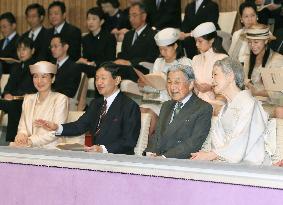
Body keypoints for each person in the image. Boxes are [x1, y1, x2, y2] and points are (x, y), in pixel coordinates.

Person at [35, 62, 141, 155]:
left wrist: (103, 149)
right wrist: (57, 127)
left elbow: (129, 141)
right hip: (95, 157)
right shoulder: (96, 103)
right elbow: (79, 126)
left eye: (103, 78)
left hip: (117, 160)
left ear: (117, 80)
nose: (98, 83)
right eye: (97, 78)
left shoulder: (130, 106)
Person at [191, 57, 274, 165]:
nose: (212, 80)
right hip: (228, 161)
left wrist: (212, 155)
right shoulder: (225, 108)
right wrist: (214, 155)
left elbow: (243, 139)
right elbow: (217, 141)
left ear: (230, 76)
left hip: (252, 165)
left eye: (215, 75)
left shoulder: (250, 104)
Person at [145, 64, 212, 159]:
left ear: (191, 84)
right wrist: (151, 152)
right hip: (159, 159)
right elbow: (157, 135)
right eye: (169, 82)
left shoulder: (203, 108)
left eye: (177, 82)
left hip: (181, 161)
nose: (172, 87)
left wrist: (164, 157)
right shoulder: (166, 105)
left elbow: (194, 143)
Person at [138, 28, 192, 136]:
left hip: (173, 100)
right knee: (142, 110)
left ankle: (142, 146)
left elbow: (189, 87)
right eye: (160, 49)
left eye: (165, 49)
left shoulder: (185, 62)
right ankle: (142, 144)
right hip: (155, 97)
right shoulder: (158, 62)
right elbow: (153, 82)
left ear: (175, 46)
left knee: (149, 114)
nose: (162, 53)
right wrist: (145, 83)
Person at [10, 61, 68, 148]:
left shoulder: (60, 99)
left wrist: (31, 141)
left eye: (44, 76)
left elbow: (56, 132)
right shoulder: (28, 99)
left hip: (51, 148)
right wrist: (21, 135)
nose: (39, 81)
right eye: (35, 76)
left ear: (53, 79)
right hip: (28, 146)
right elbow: (23, 127)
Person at [0, 37, 37, 142]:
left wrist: (14, 97)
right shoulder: (16, 67)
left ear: (32, 50)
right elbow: (8, 87)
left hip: (26, 101)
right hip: (12, 101)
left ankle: (11, 141)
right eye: (19, 49)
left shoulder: (35, 67)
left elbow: (32, 89)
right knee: (11, 104)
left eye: (24, 49)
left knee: (13, 106)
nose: (21, 52)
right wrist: (6, 94)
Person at [243, 24, 283, 117]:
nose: (252, 46)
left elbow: (280, 95)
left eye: (256, 42)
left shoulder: (277, 60)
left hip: (271, 106)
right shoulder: (248, 60)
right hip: (251, 104)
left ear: (265, 41)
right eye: (249, 42)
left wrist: (258, 92)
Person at [115, 2, 159, 82]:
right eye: (130, 16)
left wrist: (130, 62)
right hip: (126, 69)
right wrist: (118, 61)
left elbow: (152, 58)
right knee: (105, 68)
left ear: (144, 16)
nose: (131, 19)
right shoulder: (128, 35)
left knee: (116, 72)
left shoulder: (153, 35)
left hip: (141, 70)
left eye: (134, 15)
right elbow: (124, 54)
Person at [191, 22, 228, 111]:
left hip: (217, 104)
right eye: (195, 41)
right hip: (197, 102)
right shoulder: (195, 59)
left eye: (200, 41)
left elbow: (228, 86)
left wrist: (210, 88)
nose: (196, 44)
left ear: (211, 40)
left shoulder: (222, 58)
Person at [78, 7, 116, 78]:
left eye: (94, 19)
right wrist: (83, 61)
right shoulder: (85, 38)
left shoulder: (109, 37)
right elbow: (86, 58)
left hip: (104, 68)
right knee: (74, 66)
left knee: (78, 68)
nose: (90, 22)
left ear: (101, 21)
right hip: (89, 68)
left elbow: (111, 59)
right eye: (88, 19)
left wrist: (95, 63)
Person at [50, 34, 81, 98]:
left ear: (65, 47)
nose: (52, 49)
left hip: (62, 103)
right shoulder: (50, 65)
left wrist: (51, 95)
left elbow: (70, 92)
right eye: (51, 47)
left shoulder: (74, 67)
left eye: (55, 46)